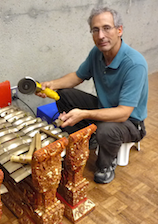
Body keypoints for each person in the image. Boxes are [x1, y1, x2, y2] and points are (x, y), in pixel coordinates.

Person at [36, 6, 148, 184]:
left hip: (131, 123)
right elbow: (77, 77)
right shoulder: (97, 53)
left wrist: (84, 113)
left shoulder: (135, 64)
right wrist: (50, 85)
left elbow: (123, 112)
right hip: (105, 108)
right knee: (64, 95)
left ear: (119, 30)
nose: (101, 35)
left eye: (106, 28)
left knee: (106, 129)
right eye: (95, 30)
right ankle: (84, 141)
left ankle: (106, 165)